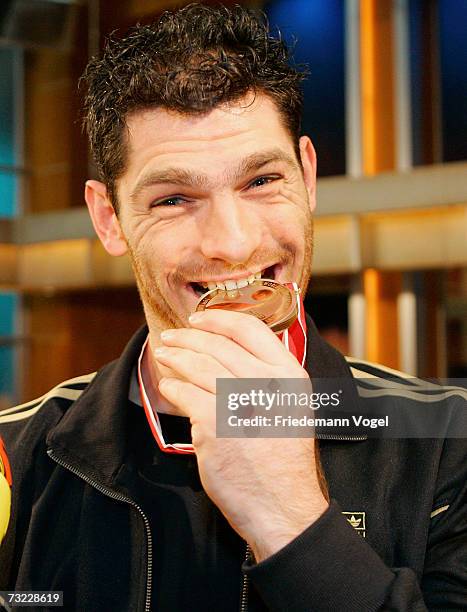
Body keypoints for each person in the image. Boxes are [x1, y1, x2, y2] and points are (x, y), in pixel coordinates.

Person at [0, 4, 466, 611]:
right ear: (108, 219)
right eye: (173, 199)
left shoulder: (444, 443)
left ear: (308, 176)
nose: (234, 244)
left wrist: (290, 518)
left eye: (262, 181)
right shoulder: (19, 454)